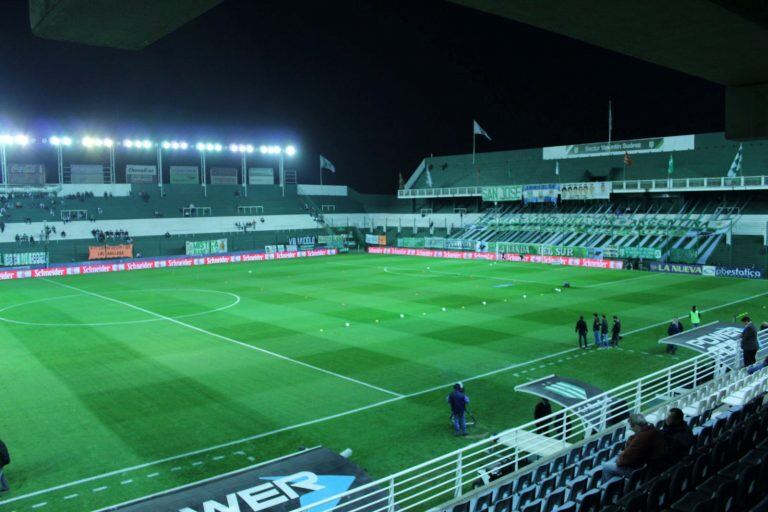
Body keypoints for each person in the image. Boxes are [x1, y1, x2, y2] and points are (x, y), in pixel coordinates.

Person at [602, 413, 668, 483]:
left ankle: (607, 489)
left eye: (631, 427)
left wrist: (621, 457)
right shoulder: (653, 430)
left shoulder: (641, 438)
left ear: (636, 426)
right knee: (614, 459)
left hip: (638, 470)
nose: (631, 429)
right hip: (647, 466)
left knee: (606, 466)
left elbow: (626, 460)